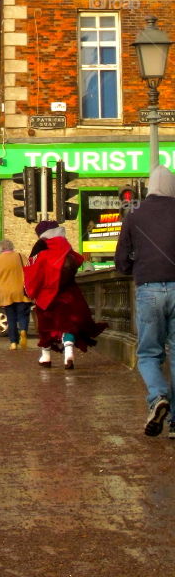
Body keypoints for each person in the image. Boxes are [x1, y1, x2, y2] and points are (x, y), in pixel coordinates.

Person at [114, 165, 175, 436]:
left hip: (148, 288)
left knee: (149, 353)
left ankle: (158, 396)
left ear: (150, 187)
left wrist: (134, 270)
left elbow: (121, 260)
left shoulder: (133, 216)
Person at [24, 221, 105, 370]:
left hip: (47, 295)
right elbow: (79, 260)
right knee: (69, 324)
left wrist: (30, 291)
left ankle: (46, 357)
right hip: (69, 292)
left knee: (46, 326)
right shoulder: (66, 247)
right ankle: (68, 351)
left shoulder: (41, 248)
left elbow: (34, 273)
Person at [0, 239, 31, 350]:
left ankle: (13, 343)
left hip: (6, 293)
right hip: (20, 291)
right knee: (23, 314)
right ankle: (23, 330)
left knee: (11, 318)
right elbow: (29, 268)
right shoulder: (20, 256)